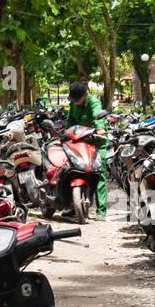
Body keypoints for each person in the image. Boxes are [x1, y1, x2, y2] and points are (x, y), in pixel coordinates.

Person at [64, 80, 109, 218]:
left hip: (96, 141)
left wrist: (100, 128)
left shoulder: (93, 102)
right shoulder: (73, 103)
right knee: (69, 169)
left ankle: (101, 210)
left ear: (85, 94)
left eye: (78, 99)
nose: (76, 102)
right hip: (78, 140)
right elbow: (70, 120)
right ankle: (73, 206)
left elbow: (98, 116)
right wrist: (66, 134)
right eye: (74, 100)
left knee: (99, 172)